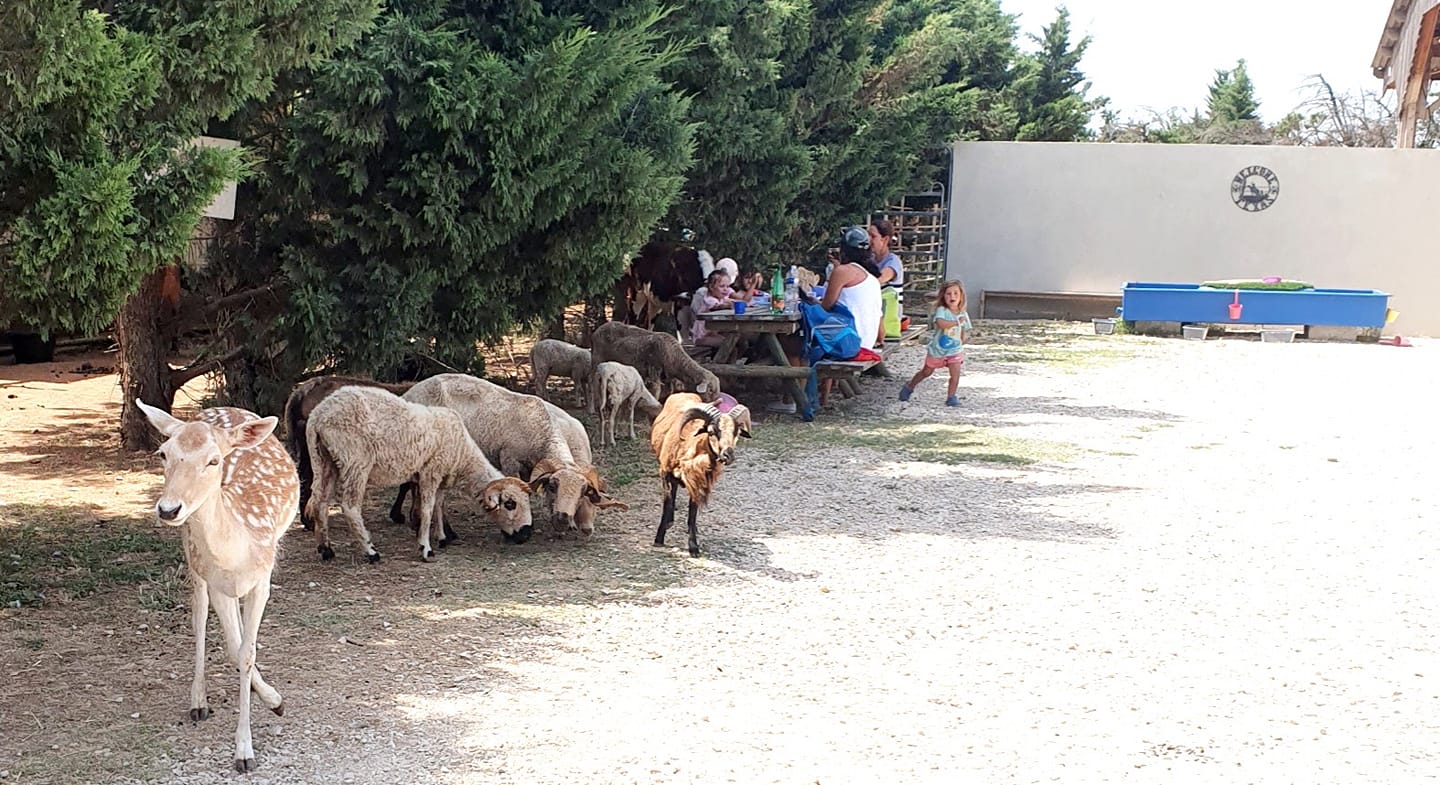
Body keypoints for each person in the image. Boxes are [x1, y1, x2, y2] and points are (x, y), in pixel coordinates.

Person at [898, 280, 971, 407]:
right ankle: (910, 386)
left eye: (955, 293)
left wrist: (963, 339)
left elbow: (964, 332)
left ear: (961, 296)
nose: (952, 297)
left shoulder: (963, 314)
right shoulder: (941, 310)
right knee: (927, 372)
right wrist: (956, 323)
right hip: (937, 350)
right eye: (948, 294)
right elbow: (941, 324)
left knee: (955, 374)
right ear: (943, 296)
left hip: (954, 350)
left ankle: (951, 396)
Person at [689, 270, 736, 347]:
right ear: (711, 287)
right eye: (722, 286)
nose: (726, 289)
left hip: (712, 334)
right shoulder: (709, 299)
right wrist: (728, 305)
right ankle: (721, 359)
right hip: (702, 337)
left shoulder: (720, 298)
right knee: (728, 344)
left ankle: (727, 359)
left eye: (727, 286)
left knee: (735, 341)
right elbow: (717, 307)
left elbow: (729, 301)